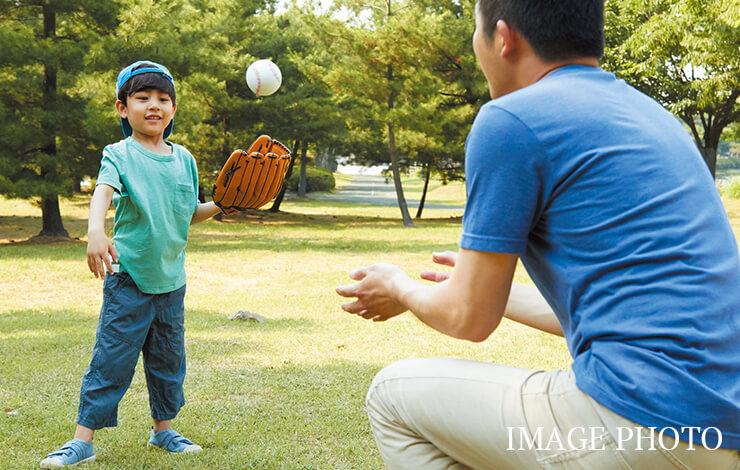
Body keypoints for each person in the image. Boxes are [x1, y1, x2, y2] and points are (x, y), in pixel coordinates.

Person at [336, 0, 740, 468]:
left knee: (392, 395)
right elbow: (623, 307)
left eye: (476, 33)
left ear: (503, 38)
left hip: (642, 423)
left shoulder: (511, 119)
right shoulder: (652, 118)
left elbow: (468, 319)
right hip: (721, 432)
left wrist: (398, 287)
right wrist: (490, 293)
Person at [40, 61, 223, 468]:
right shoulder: (118, 154)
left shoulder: (185, 160)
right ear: (123, 108)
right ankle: (82, 440)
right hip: (130, 279)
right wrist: (95, 231)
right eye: (142, 98)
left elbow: (188, 212)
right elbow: (103, 191)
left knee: (168, 361)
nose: (153, 105)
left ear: (173, 110)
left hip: (171, 280)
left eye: (163, 99)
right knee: (112, 359)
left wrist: (225, 205)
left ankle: (164, 431)